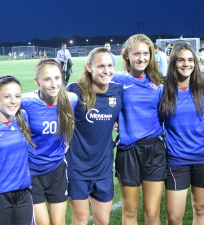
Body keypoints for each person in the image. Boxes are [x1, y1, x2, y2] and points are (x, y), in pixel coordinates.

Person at [160, 43, 204, 225]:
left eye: (191, 60)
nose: (186, 64)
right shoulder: (163, 90)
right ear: (173, 62)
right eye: (181, 60)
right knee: (174, 218)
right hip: (176, 159)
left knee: (201, 209)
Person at [112, 34, 166, 225]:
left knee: (152, 213)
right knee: (130, 211)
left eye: (146, 53)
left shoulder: (158, 81)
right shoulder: (116, 80)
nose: (141, 58)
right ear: (127, 55)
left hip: (154, 150)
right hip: (128, 150)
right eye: (137, 54)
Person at [66, 47, 122, 225]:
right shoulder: (74, 91)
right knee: (81, 219)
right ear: (89, 67)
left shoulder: (117, 91)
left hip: (103, 168)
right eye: (101, 66)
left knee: (102, 221)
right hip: (77, 168)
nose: (107, 71)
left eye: (110, 65)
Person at [21, 58, 78, 225]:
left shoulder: (70, 99)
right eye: (47, 79)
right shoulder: (26, 102)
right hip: (32, 172)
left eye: (57, 78)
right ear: (36, 81)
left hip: (57, 170)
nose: (54, 84)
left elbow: (75, 120)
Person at [0, 75, 35, 225]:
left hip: (24, 195)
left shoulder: (23, 117)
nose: (13, 101)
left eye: (17, 96)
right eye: (7, 96)